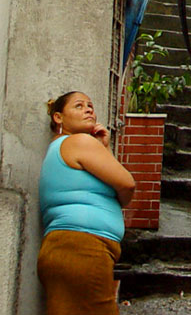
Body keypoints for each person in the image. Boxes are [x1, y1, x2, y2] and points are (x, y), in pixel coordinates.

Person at [37, 91, 135, 315]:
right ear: (58, 118)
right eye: (79, 106)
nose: (88, 109)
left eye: (90, 106)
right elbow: (127, 185)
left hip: (67, 248)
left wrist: (103, 148)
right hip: (83, 248)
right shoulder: (78, 142)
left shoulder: (61, 147)